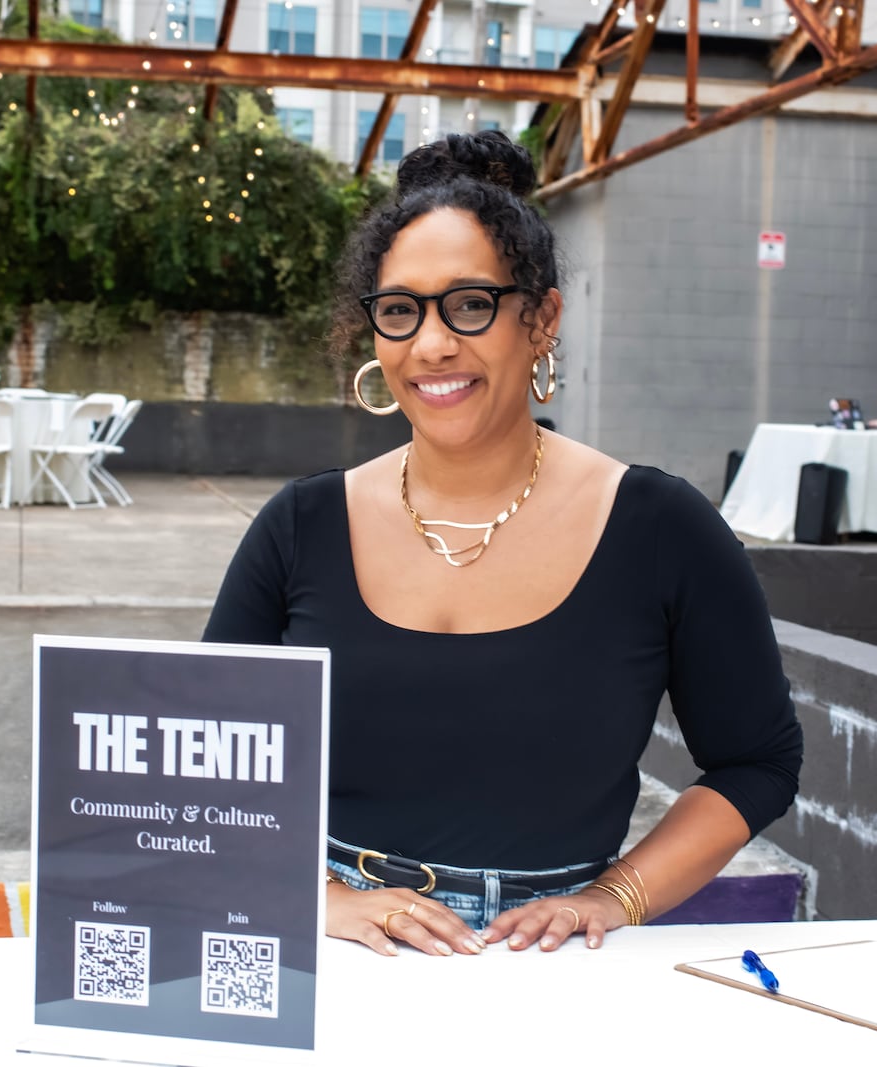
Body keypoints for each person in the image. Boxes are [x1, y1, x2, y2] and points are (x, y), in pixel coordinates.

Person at [202, 131, 802, 960]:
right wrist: (316, 900)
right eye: (401, 309)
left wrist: (615, 895)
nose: (433, 344)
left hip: (553, 963)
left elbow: (757, 761)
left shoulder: (660, 526)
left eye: (471, 303)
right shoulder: (301, 525)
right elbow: (201, 770)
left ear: (542, 318)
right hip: (339, 948)